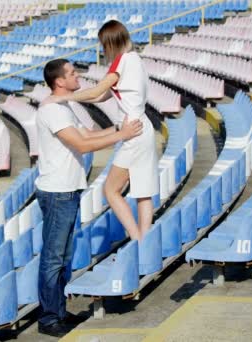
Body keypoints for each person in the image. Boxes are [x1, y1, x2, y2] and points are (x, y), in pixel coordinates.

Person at [36, 58, 143, 337]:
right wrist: (121, 134)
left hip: (68, 189)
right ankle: (49, 318)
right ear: (60, 81)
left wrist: (120, 128)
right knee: (53, 257)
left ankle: (57, 311)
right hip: (58, 191)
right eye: (72, 73)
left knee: (63, 256)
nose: (77, 76)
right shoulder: (53, 110)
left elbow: (89, 134)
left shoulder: (65, 106)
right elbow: (82, 145)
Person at [42, 20, 159, 242]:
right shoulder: (136, 60)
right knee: (143, 192)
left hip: (132, 131)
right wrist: (79, 98)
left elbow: (97, 90)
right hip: (143, 126)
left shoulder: (121, 62)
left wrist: (65, 97)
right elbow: (101, 96)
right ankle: (146, 241)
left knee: (110, 190)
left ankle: (137, 239)